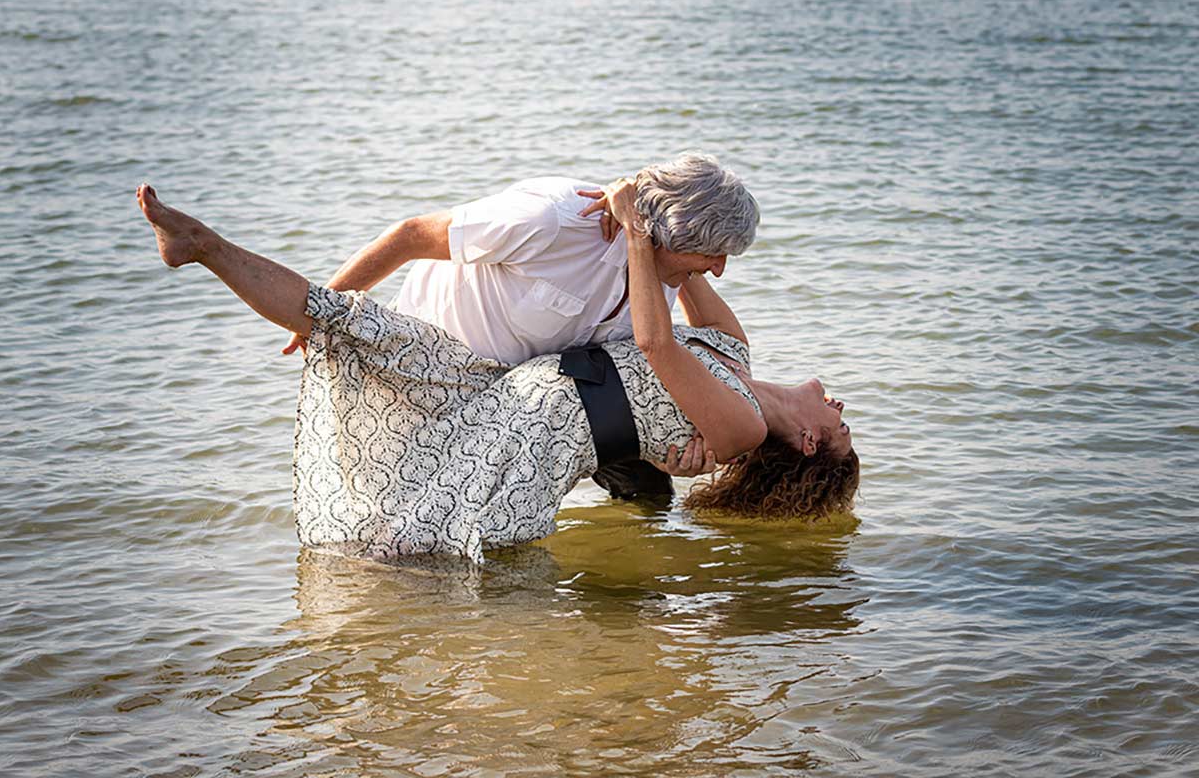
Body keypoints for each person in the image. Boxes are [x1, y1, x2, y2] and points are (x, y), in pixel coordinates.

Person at [136, 179, 859, 565]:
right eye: (714, 257)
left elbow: (658, 342)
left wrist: (636, 231)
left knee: (436, 551)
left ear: (806, 445)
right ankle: (202, 245)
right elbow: (685, 271)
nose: (839, 406)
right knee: (344, 317)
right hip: (524, 383)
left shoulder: (735, 431)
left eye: (842, 427)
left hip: (538, 435)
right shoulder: (735, 348)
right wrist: (642, 203)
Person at [280, 153, 762, 498]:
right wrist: (316, 318)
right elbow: (408, 236)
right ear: (662, 234)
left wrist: (672, 452)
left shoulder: (665, 269)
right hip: (436, 371)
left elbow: (703, 345)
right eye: (711, 255)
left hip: (534, 396)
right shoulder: (553, 219)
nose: (718, 269)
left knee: (649, 495)